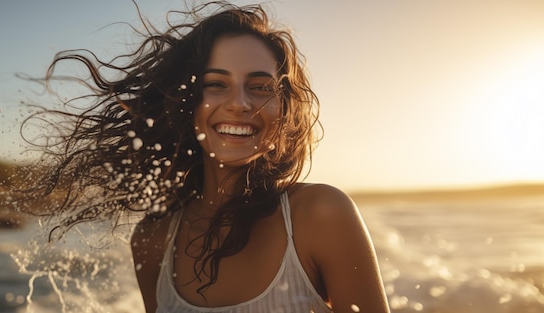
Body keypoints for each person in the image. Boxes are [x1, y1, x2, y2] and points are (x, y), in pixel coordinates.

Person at [21, 1, 390, 312]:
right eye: (216, 84)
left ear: (283, 107)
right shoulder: (152, 239)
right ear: (185, 101)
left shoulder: (320, 214)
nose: (241, 104)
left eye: (261, 87)